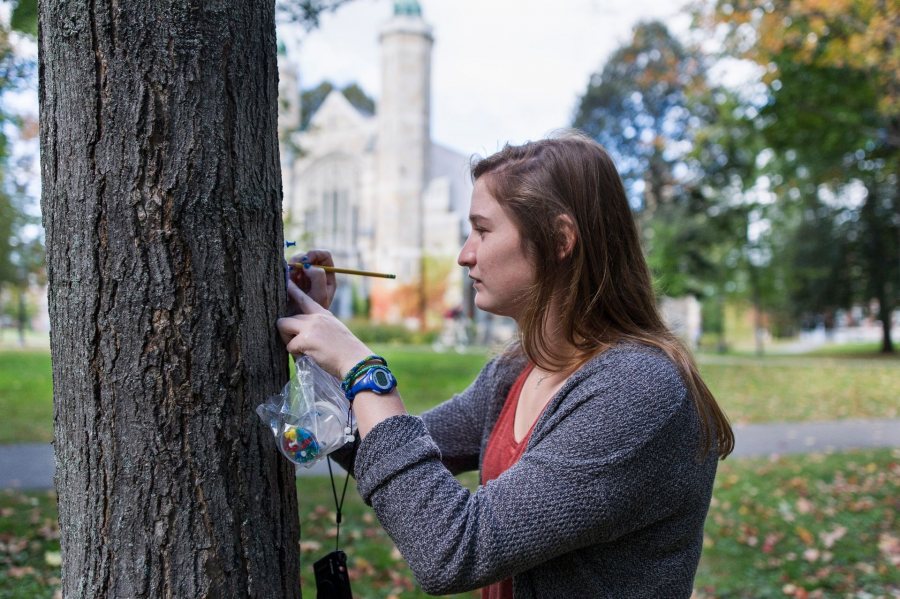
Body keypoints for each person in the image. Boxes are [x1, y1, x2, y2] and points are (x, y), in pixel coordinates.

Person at [276, 131, 734, 598]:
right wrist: (322, 343)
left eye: (483, 230)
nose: (464, 254)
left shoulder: (637, 390)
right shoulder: (518, 370)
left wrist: (365, 371)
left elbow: (451, 551)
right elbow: (376, 451)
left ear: (559, 239)